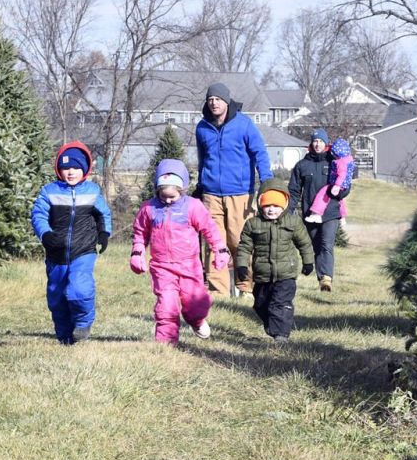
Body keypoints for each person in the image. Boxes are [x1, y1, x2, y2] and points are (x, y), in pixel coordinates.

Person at [130, 159, 231, 345]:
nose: (168, 200)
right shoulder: (149, 208)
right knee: (166, 305)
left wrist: (220, 249)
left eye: (172, 197)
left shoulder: (193, 206)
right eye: (163, 196)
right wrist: (137, 253)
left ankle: (197, 320)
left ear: (182, 190)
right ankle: (166, 344)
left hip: (189, 265)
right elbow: (140, 233)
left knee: (195, 305)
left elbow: (210, 229)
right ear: (157, 190)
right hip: (162, 266)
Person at [194, 82, 273, 298]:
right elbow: (203, 159)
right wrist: (200, 185)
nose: (214, 103)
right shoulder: (202, 128)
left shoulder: (243, 124)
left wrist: (266, 180)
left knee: (240, 241)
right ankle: (217, 291)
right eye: (210, 99)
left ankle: (245, 286)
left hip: (240, 193)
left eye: (218, 99)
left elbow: (260, 153)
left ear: (226, 101)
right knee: (213, 243)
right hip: (211, 194)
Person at [30, 141, 112, 344]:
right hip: (56, 253)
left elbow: (104, 215)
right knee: (57, 297)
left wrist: (104, 234)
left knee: (79, 289)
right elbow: (38, 215)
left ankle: (83, 323)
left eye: (75, 167)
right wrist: (45, 235)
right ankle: (65, 336)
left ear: (84, 169)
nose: (71, 172)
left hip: (84, 250)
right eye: (66, 168)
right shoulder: (49, 191)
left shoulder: (92, 191)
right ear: (59, 169)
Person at [235, 179, 314, 343]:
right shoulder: (253, 224)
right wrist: (242, 265)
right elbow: (244, 247)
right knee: (260, 304)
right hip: (262, 274)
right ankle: (275, 327)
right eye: (267, 206)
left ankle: (281, 335)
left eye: (276, 206)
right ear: (260, 204)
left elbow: (304, 243)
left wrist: (308, 262)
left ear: (284, 205)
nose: (271, 210)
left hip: (286, 274)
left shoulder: (293, 222)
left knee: (279, 303)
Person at [288, 129, 350, 293]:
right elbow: (294, 191)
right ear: (311, 143)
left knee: (326, 244)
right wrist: (288, 211)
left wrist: (341, 192)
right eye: (315, 141)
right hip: (310, 213)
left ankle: (326, 279)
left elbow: (345, 181)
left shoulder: (333, 162)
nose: (317, 144)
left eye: (321, 141)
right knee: (316, 247)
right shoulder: (302, 165)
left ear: (326, 143)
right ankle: (321, 278)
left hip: (331, 212)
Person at [304, 137, 354, 225]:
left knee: (323, 194)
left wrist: (337, 185)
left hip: (337, 184)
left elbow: (342, 174)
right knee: (340, 200)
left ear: (337, 153)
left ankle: (316, 213)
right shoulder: (348, 159)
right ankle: (342, 217)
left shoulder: (340, 162)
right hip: (344, 184)